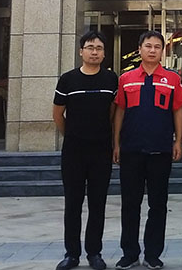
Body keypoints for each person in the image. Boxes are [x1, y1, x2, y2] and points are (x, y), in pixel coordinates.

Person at [113, 30, 182, 270]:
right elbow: (120, 111)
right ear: (140, 49)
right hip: (131, 150)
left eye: (157, 46)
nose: (152, 50)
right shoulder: (126, 78)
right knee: (130, 204)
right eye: (148, 46)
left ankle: (153, 254)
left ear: (163, 51)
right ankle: (129, 254)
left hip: (160, 150)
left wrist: (178, 141)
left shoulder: (172, 79)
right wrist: (116, 143)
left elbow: (178, 110)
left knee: (158, 204)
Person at [53, 30, 119, 270]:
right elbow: (58, 114)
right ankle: (72, 254)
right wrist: (71, 135)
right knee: (73, 202)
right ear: (81, 51)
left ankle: (94, 253)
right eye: (90, 47)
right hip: (74, 151)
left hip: (101, 150)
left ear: (104, 53)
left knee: (97, 203)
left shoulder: (111, 80)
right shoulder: (68, 79)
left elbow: (113, 113)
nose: (94, 52)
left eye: (99, 48)